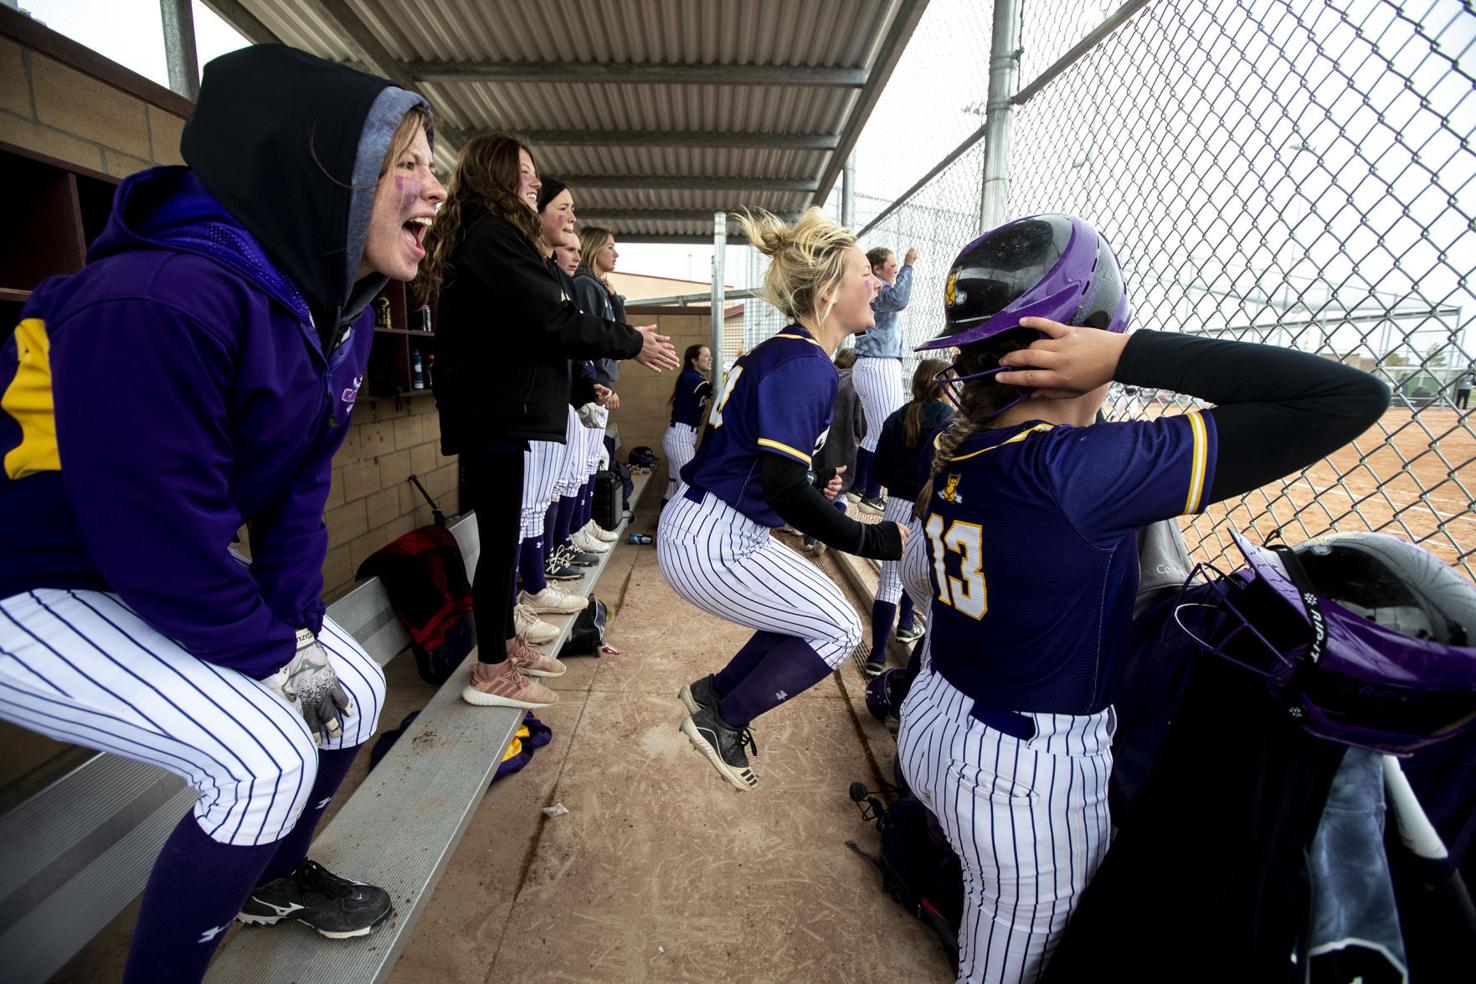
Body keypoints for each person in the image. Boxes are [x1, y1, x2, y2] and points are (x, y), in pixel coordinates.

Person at [0, 46, 446, 981]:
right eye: (406, 162)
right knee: (265, 758)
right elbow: (158, 537)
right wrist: (274, 657)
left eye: (432, 164)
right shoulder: (159, 294)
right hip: (28, 575)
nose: (433, 187)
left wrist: (295, 627)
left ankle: (272, 876)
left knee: (353, 695)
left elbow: (294, 491)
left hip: (124, 564)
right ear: (320, 172)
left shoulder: (332, 301)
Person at [895, 213, 1389, 983]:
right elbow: (1346, 398)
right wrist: (1129, 352)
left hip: (936, 718)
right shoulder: (1075, 469)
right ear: (1072, 347)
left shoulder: (971, 449)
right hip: (1022, 773)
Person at [419, 136, 679, 710]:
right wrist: (633, 342)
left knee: (504, 541)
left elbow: (541, 332)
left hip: (499, 412)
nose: (535, 182)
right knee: (498, 545)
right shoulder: (491, 235)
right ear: (496, 176)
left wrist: (589, 379)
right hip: (491, 413)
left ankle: (502, 643)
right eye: (526, 173)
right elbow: (554, 319)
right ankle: (490, 670)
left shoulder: (497, 236)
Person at [658, 208, 908, 791]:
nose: (874, 281)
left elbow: (772, 474)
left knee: (811, 615)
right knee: (840, 629)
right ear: (827, 292)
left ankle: (713, 693)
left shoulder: (795, 353)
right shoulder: (804, 364)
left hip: (715, 524)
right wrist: (869, 538)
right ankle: (722, 717)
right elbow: (780, 486)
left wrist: (806, 489)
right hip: (713, 538)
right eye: (860, 274)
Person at [861, 357, 952, 676]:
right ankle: (907, 626)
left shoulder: (898, 415)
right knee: (921, 576)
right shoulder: (949, 417)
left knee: (889, 582)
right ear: (942, 384)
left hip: (897, 502)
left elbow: (878, 468)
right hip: (930, 506)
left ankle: (875, 656)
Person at [851, 244, 919, 511]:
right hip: (879, 364)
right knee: (887, 431)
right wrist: (909, 265)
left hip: (871, 365)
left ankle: (860, 487)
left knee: (875, 433)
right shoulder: (876, 286)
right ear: (877, 268)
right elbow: (900, 299)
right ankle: (870, 494)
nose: (895, 269)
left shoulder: (875, 288)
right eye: (891, 264)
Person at [804, 345, 867, 551]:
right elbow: (861, 425)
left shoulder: (824, 378)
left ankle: (809, 537)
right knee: (839, 492)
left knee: (817, 489)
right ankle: (827, 536)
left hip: (817, 445)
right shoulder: (857, 385)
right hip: (845, 447)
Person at [662, 343, 714, 506]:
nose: (710, 358)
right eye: (705, 356)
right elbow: (711, 389)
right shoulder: (690, 377)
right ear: (694, 360)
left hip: (681, 436)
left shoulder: (694, 377)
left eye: (710, 355)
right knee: (689, 486)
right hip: (680, 438)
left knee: (673, 487)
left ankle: (663, 525)